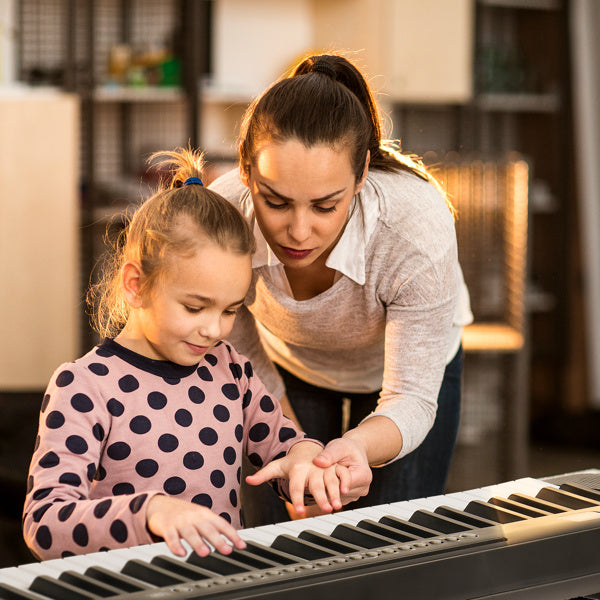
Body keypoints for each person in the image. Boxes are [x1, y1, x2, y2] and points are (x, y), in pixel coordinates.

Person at [22, 147, 362, 562]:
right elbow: (44, 523)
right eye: (196, 307)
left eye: (230, 310)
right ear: (135, 284)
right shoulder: (83, 385)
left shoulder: (230, 369)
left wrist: (307, 462)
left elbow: (287, 446)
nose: (214, 329)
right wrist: (152, 511)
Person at [209, 53, 473, 525]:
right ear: (246, 170)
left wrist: (353, 448)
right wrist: (294, 445)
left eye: (326, 206)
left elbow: (410, 397)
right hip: (288, 367)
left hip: (402, 381)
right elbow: (241, 355)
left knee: (394, 549)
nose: (299, 231)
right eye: (276, 202)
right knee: (278, 548)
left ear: (361, 175)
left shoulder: (414, 229)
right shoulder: (223, 217)